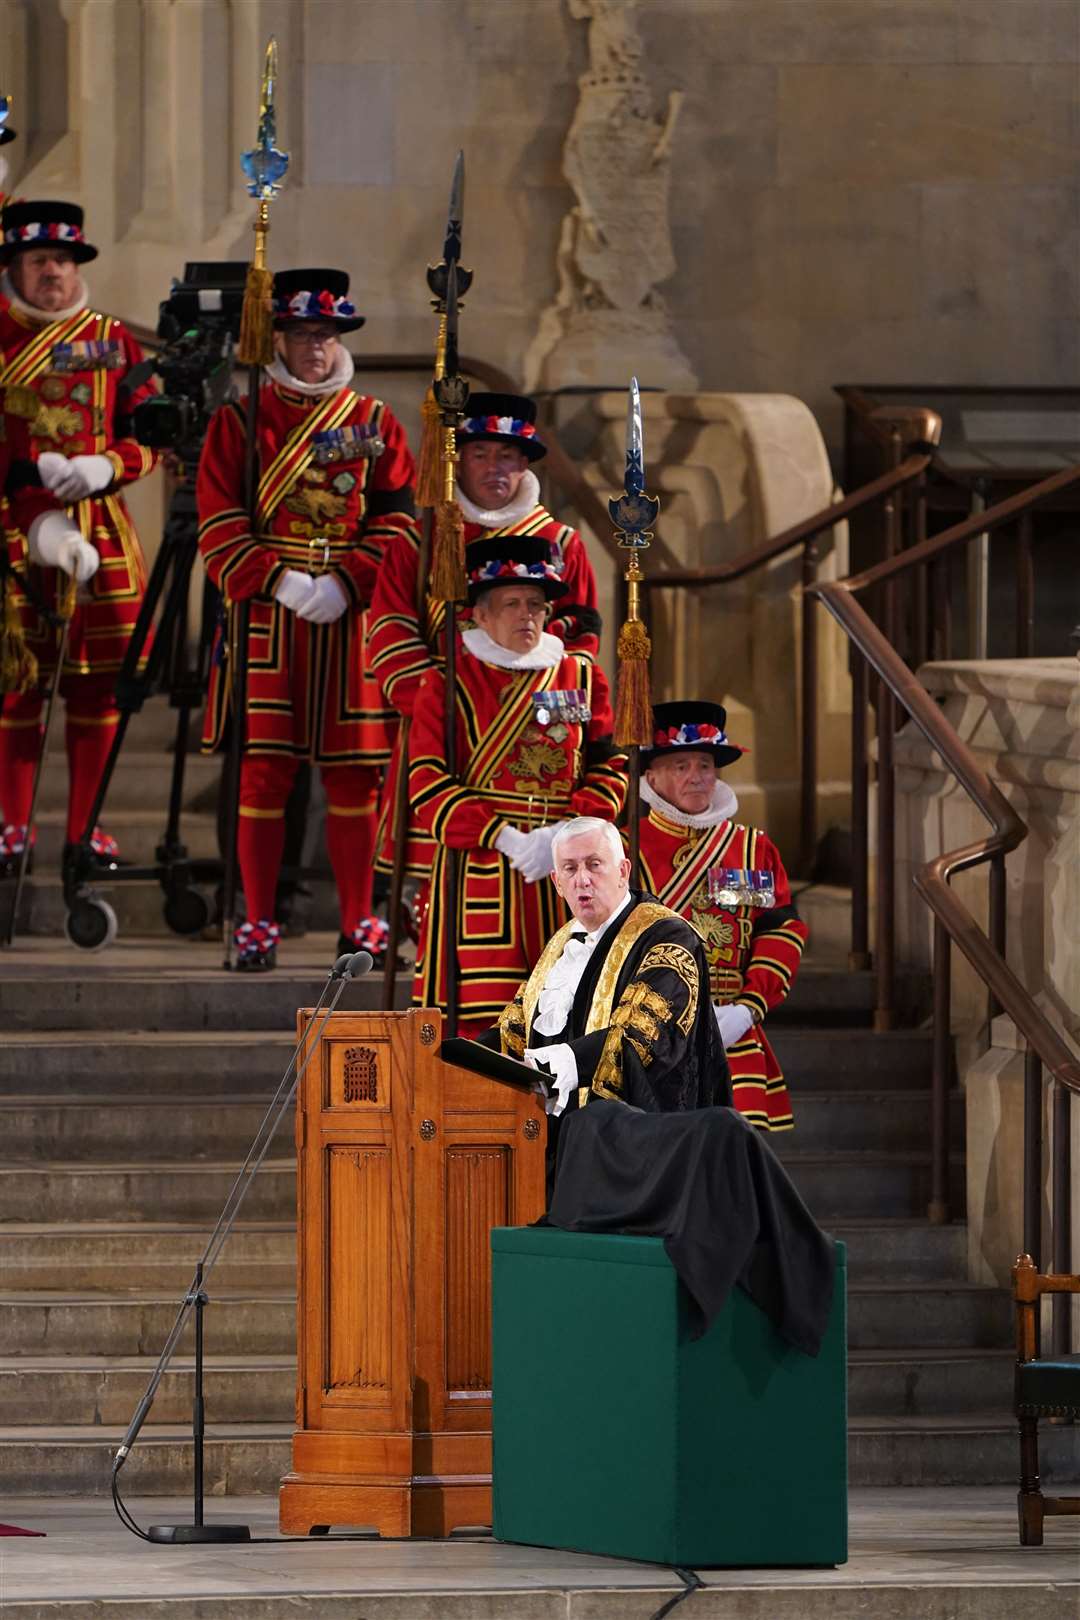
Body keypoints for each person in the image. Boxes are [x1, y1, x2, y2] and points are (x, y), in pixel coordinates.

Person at [196, 266, 418, 970]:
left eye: (324, 333)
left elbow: (397, 519)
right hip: (269, 616)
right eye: (299, 333)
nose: (314, 346)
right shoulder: (240, 418)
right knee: (265, 772)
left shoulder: (376, 421)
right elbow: (217, 518)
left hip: (349, 618)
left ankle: (359, 921)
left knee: (357, 775)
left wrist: (350, 579)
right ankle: (256, 920)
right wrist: (276, 577)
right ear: (279, 340)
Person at [367, 391, 601, 907]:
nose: (496, 468)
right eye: (481, 454)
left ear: (525, 464)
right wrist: (439, 701)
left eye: (509, 456)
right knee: (440, 878)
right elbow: (388, 629)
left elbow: (581, 642)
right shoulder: (420, 538)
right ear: (458, 460)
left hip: (538, 737)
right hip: (448, 729)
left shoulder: (562, 544)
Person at [0, 199, 160, 875]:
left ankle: (84, 832)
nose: (53, 275)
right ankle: (10, 829)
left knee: (99, 689)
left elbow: (152, 430)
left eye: (63, 261)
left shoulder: (115, 339)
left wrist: (108, 465)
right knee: (16, 686)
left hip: (101, 531)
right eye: (39, 262)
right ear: (15, 266)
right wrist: (29, 468)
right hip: (11, 530)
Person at [409, 537, 625, 1034]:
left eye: (536, 604)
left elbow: (610, 765)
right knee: (491, 1017)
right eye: (511, 604)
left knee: (575, 1008)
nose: (526, 615)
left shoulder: (581, 675)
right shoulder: (448, 680)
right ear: (480, 616)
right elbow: (425, 780)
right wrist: (504, 836)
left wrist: (565, 832)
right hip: (485, 867)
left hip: (569, 868)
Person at [489, 815, 732, 1125]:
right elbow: (516, 1029)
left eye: (594, 864)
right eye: (570, 868)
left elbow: (645, 1037)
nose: (582, 879)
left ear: (623, 871)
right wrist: (453, 1056)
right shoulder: (560, 944)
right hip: (554, 1142)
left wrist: (569, 1060)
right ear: (557, 883)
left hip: (638, 1145)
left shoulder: (668, 936)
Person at [637, 700, 808, 1130]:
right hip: (649, 1030)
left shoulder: (754, 848)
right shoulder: (622, 848)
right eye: (680, 765)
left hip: (731, 1027)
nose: (696, 776)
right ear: (651, 776)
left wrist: (749, 1008)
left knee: (733, 1163)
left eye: (705, 764)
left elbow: (781, 931)